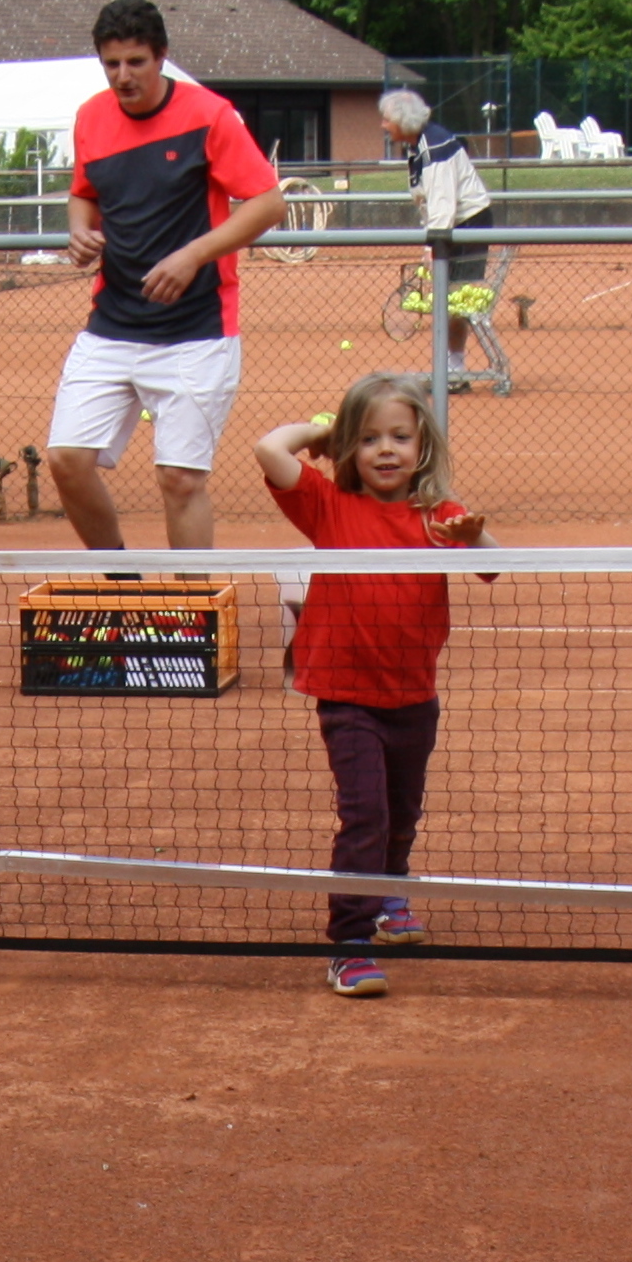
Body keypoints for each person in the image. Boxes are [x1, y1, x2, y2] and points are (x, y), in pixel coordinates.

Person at [255, 372, 500, 999]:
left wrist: (474, 539)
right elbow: (269, 449)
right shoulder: (328, 507)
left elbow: (494, 564)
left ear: (422, 445)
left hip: (415, 694)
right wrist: (327, 432)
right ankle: (350, 942)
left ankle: (392, 895)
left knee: (400, 817)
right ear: (347, 450)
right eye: (367, 438)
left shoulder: (439, 516)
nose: (384, 449)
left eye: (398, 435)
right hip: (347, 694)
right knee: (365, 814)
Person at [45, 0, 290, 556]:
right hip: (111, 325)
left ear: (161, 58)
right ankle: (121, 580)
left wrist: (191, 256)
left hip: (198, 329)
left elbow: (267, 203)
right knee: (66, 459)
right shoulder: (90, 117)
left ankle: (190, 618)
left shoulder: (210, 115)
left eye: (135, 62)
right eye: (111, 64)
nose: (123, 76)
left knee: (180, 479)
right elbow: (83, 194)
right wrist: (79, 231)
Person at [377, 88, 493, 381]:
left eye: (387, 119)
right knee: (453, 299)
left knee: (457, 299)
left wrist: (433, 247)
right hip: (458, 223)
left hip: (467, 224)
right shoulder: (420, 145)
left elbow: (443, 203)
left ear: (404, 122)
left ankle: (454, 369)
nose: (383, 126)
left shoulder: (433, 146)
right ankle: (452, 366)